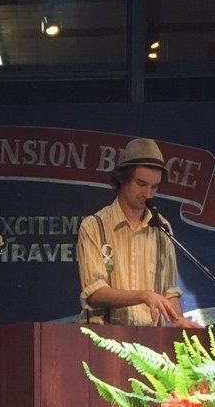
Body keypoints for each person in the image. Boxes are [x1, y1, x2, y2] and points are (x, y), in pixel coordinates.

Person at [77, 137, 184, 325]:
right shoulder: (94, 225)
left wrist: (178, 321)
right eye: (141, 184)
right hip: (103, 341)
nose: (148, 194)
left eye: (154, 187)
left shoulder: (162, 228)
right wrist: (143, 296)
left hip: (151, 344)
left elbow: (170, 292)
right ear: (122, 178)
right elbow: (94, 292)